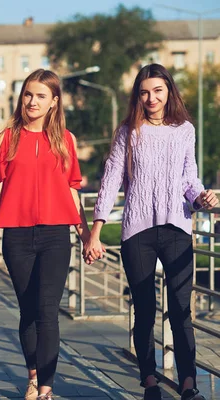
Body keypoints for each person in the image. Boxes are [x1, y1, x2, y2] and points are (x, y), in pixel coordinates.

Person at [84, 63, 218, 400]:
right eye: (144, 92)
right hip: (137, 231)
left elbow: (189, 177)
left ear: (169, 91)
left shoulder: (185, 130)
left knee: (180, 308)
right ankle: (149, 380)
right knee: (144, 308)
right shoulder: (128, 131)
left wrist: (201, 197)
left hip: (177, 227)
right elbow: (112, 178)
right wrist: (96, 231)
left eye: (158, 90)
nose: (151, 97)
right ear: (138, 96)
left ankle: (188, 382)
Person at [0, 69, 91, 400]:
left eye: (41, 96)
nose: (32, 101)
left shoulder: (66, 140)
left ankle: (45, 389)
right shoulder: (7, 138)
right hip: (16, 237)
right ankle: (33, 374)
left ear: (54, 102)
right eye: (28, 94)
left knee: (47, 311)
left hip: (56, 236)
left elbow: (73, 192)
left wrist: (87, 235)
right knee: (28, 311)